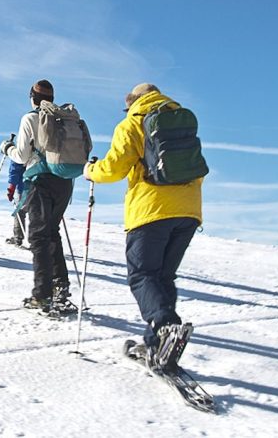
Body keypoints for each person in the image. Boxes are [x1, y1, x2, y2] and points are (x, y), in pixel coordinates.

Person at [83, 83, 204, 370]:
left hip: (150, 211)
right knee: (163, 277)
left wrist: (90, 171)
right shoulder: (181, 120)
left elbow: (113, 168)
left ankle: (164, 327)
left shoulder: (133, 123)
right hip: (188, 210)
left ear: (133, 102)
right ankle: (157, 346)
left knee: (142, 275)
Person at [0, 80, 87, 312]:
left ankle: (42, 294)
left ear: (32, 96)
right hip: (64, 181)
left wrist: (6, 148)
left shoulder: (30, 118)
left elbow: (21, 155)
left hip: (39, 181)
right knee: (51, 233)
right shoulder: (63, 118)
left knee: (38, 237)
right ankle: (60, 285)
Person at [5, 161, 27, 247]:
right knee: (40, 213)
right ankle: (41, 240)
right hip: (43, 186)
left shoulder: (20, 150)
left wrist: (12, 186)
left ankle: (18, 237)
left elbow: (15, 168)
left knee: (20, 211)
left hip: (25, 186)